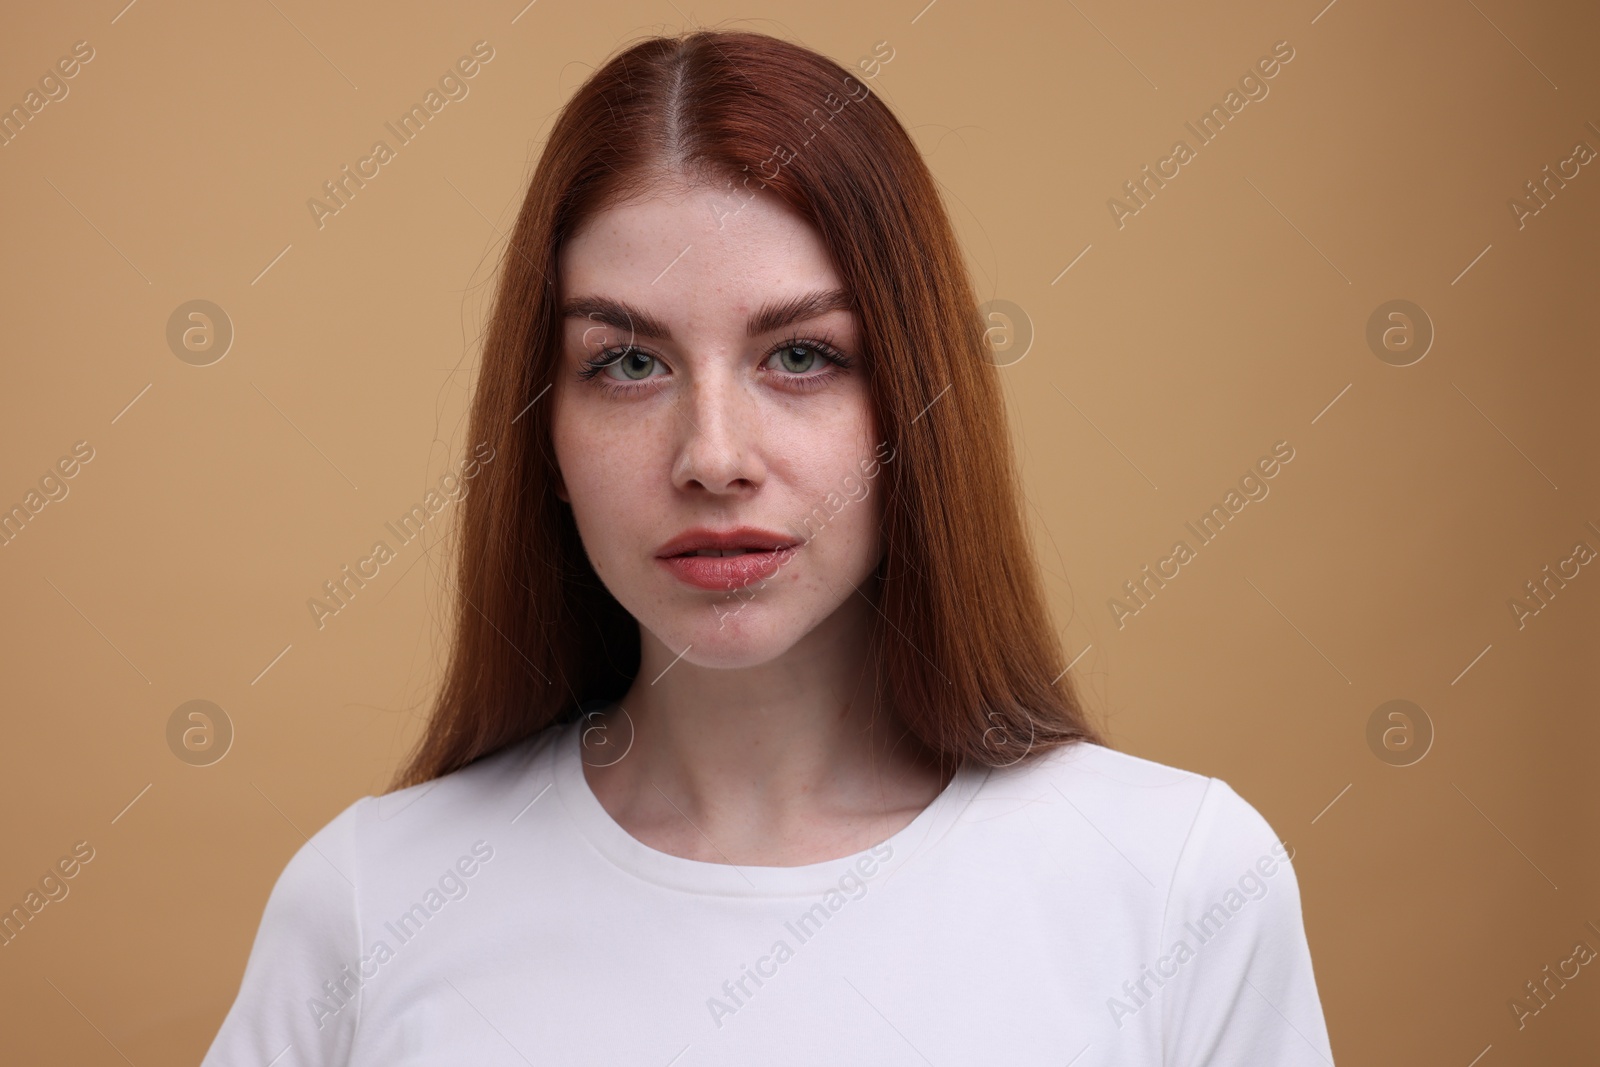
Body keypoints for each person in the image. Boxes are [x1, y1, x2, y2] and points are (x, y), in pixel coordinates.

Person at [202, 28, 1336, 1066]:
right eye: (626, 362)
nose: (712, 455)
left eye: (800, 356)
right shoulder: (370, 896)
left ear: (914, 409)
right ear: (540, 427)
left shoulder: (1179, 881)